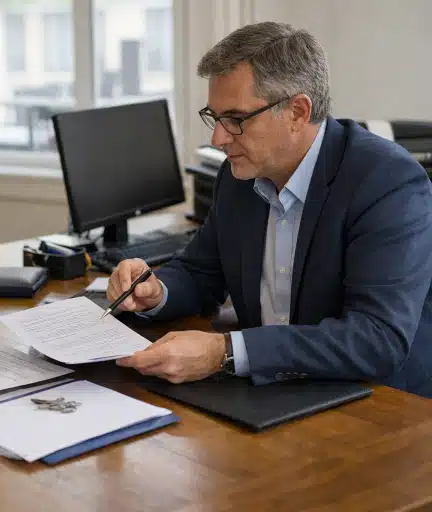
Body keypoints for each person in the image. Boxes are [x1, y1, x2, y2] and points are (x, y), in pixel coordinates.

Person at [107, 21, 432, 397]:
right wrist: (156, 290)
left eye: (236, 119)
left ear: (296, 111)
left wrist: (225, 351)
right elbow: (201, 271)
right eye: (214, 117)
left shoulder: (386, 181)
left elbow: (377, 340)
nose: (217, 138)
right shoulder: (239, 176)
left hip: (379, 406)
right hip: (271, 394)